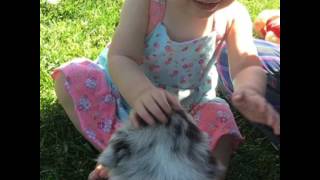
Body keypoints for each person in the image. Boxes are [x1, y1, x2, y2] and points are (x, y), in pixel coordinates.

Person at [52, 0, 280, 179]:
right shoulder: (148, 4)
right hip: (126, 99)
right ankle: (126, 157)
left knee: (221, 117)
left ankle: (197, 174)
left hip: (188, 111)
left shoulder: (233, 14)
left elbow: (245, 64)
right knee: (73, 78)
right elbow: (123, 56)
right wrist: (142, 93)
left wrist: (249, 89)